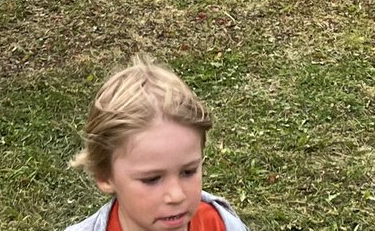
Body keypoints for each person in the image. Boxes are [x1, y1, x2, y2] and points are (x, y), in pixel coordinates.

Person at [62, 56, 249, 231]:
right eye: (152, 179)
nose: (176, 195)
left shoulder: (218, 224)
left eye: (188, 171)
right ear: (104, 176)